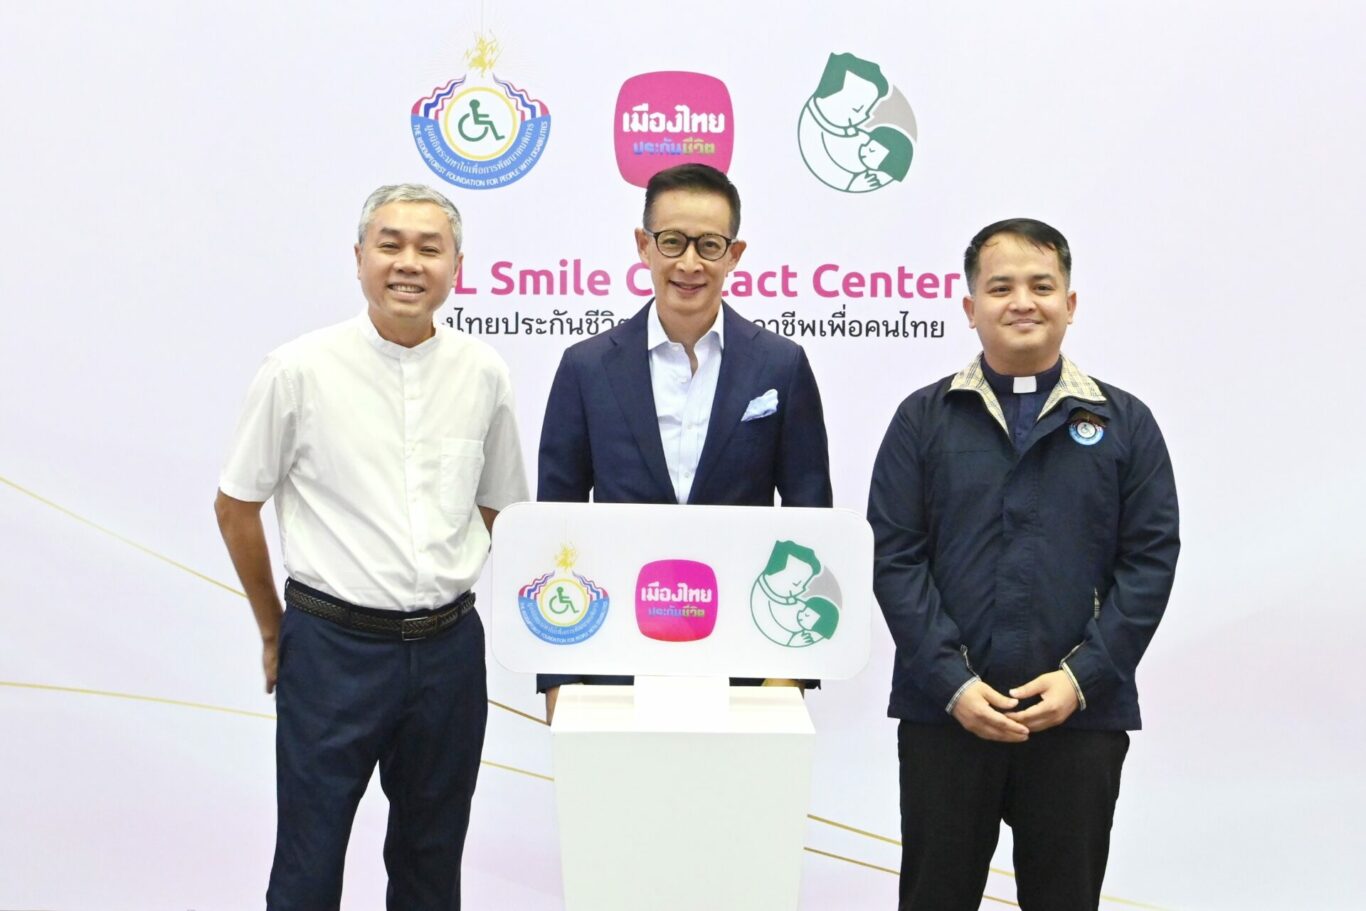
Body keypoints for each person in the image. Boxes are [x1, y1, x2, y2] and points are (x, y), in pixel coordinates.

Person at [214, 183, 528, 910]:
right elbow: (235, 505)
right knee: (308, 863)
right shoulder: (297, 369)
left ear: (456, 268)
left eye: (429, 248)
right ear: (359, 258)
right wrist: (274, 630)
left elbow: (497, 503)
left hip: (448, 654)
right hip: (332, 651)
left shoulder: (483, 373)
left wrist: (445, 580)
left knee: (430, 865)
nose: (408, 263)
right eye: (390, 245)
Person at [867, 218, 1179, 910]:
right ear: (969, 306)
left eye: (1041, 285)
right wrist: (951, 683)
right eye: (1000, 286)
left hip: (1078, 721)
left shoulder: (1124, 423)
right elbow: (895, 557)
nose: (1022, 302)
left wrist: (1081, 679)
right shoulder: (923, 419)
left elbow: (1150, 562)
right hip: (946, 718)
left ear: (1071, 302)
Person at [537, 162, 833, 719]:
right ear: (643, 246)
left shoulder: (781, 365)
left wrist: (788, 672)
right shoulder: (586, 368)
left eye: (709, 245)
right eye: (672, 241)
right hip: (611, 654)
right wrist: (559, 675)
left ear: (734, 254)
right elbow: (556, 522)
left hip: (747, 657)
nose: (690, 263)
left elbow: (810, 518)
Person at [798, 52, 890, 190]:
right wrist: (850, 184)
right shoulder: (812, 127)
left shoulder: (845, 127)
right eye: (856, 108)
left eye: (866, 110)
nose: (864, 116)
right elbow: (820, 164)